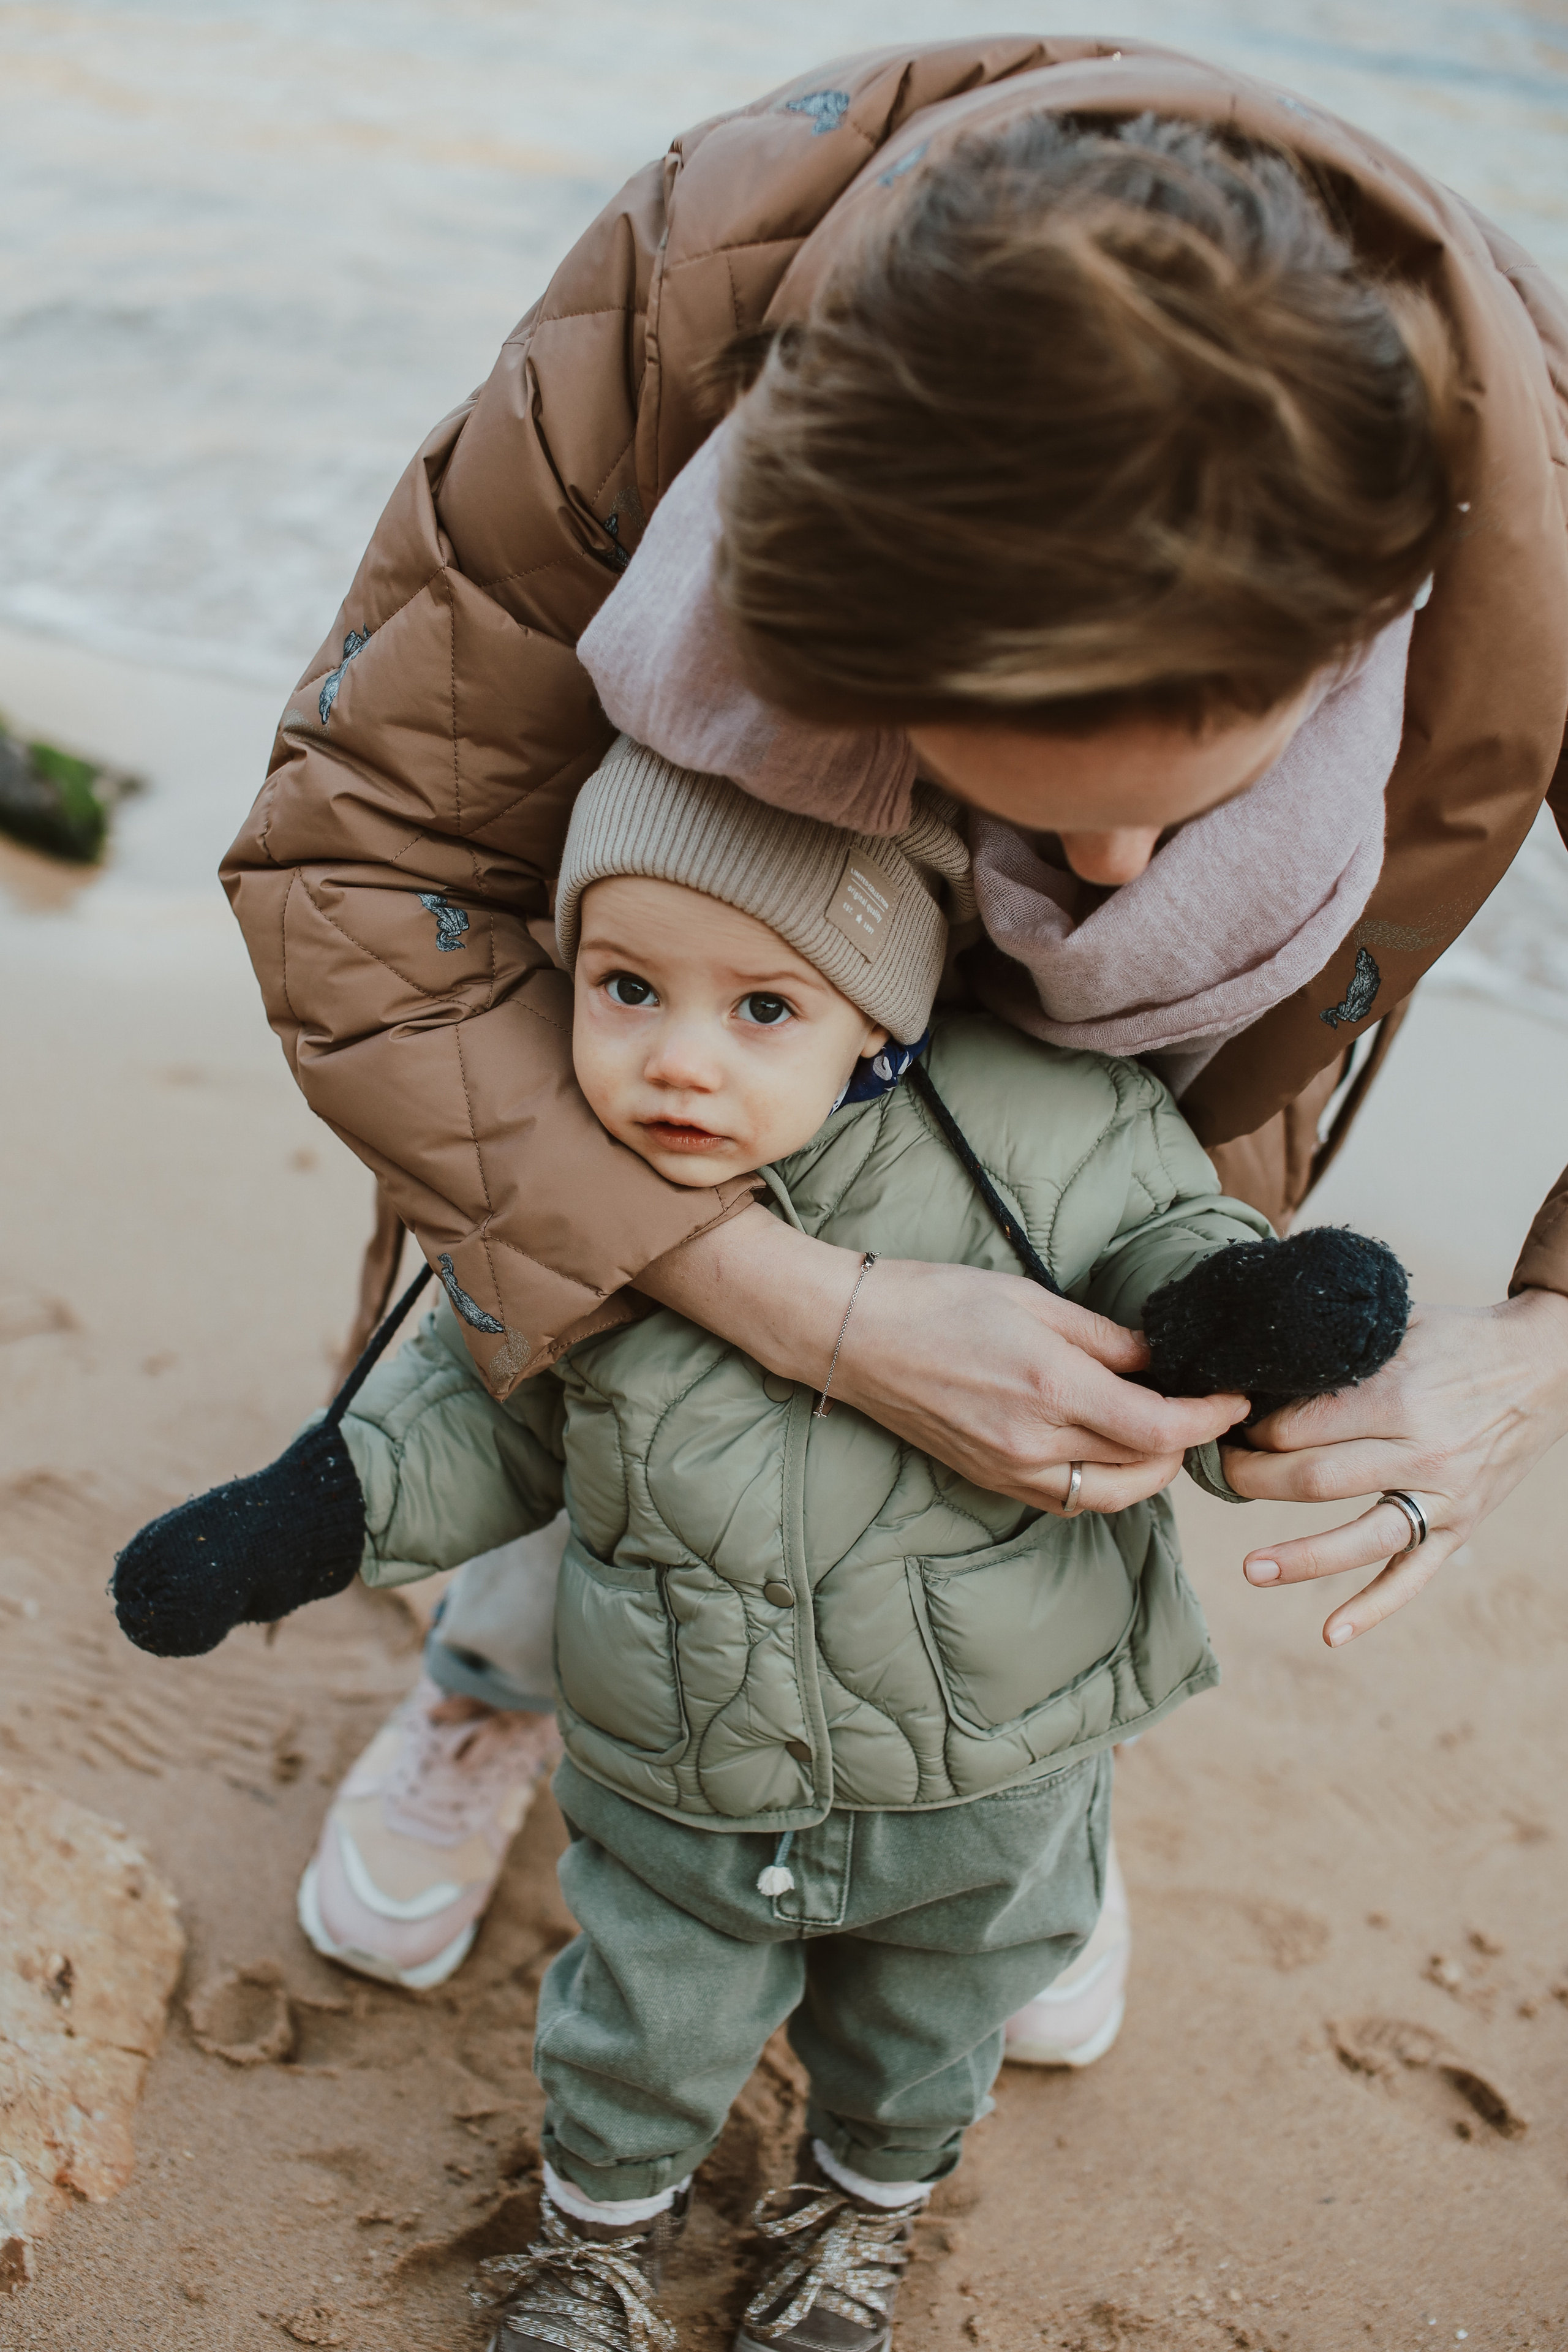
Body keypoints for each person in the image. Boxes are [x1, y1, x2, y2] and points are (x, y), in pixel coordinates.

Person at [227, 59, 1567, 2032]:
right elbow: (359, 859)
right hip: (715, 989)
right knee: (597, 1376)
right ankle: (494, 1676)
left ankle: (1010, 1791)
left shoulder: (1545, 488)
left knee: (1059, 1448)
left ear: (1376, 620)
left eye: (1191, 797)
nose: (1112, 881)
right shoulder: (694, 296)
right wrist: (799, 1302)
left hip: (1169, 1112)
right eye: (1018, 791)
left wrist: (1542, 1349)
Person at [312, 737, 1365, 2351]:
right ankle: (595, 2239)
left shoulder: (1048, 1126)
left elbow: (1163, 1230)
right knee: (646, 2006)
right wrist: (301, 1514)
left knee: (941, 2018)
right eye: (625, 991)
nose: (679, 1063)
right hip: (688, 1753)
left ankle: (857, 2218)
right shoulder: (577, 1184)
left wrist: (1235, 1325)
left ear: (882, 1020)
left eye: (761, 1009)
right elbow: (471, 1406)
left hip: (985, 1750)